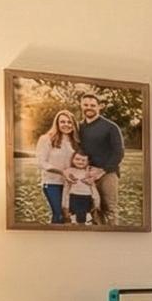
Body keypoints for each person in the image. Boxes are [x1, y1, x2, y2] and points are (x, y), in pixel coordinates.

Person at [75, 91, 125, 225]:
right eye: (86, 105)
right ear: (81, 106)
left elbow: (119, 153)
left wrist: (101, 171)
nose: (89, 108)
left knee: (110, 209)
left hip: (107, 173)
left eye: (92, 105)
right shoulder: (79, 127)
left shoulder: (111, 127)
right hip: (87, 174)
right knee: (93, 210)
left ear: (99, 107)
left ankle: (113, 235)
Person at [35, 108, 81, 225]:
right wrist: (61, 172)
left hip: (70, 184)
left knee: (68, 216)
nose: (66, 124)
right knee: (58, 214)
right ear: (57, 123)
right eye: (62, 122)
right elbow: (41, 162)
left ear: (74, 125)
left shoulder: (76, 142)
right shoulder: (46, 139)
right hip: (52, 182)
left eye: (69, 122)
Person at [62, 150, 103, 225]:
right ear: (72, 159)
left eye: (83, 160)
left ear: (88, 161)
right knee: (73, 217)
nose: (80, 162)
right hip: (73, 196)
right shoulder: (69, 171)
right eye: (77, 159)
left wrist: (97, 202)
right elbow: (66, 188)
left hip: (87, 197)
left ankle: (85, 228)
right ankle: (75, 228)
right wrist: (64, 204)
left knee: (86, 216)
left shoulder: (89, 172)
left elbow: (101, 172)